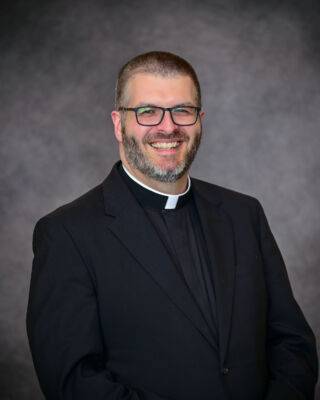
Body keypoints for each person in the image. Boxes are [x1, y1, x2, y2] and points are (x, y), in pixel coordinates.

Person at [27, 51, 318, 400]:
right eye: (147, 111)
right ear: (119, 124)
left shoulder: (244, 214)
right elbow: (74, 382)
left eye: (183, 110)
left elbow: (293, 344)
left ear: (200, 119)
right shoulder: (66, 234)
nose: (168, 127)